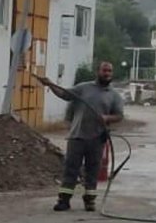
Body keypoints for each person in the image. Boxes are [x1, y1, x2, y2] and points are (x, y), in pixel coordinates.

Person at [36, 62, 124, 212]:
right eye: (104, 70)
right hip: (77, 136)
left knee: (92, 171)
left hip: (97, 138)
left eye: (109, 71)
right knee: (71, 169)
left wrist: (107, 118)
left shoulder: (114, 95)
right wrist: (50, 84)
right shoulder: (83, 88)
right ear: (98, 71)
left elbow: (119, 116)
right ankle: (64, 201)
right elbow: (64, 94)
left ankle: (89, 201)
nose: (107, 73)